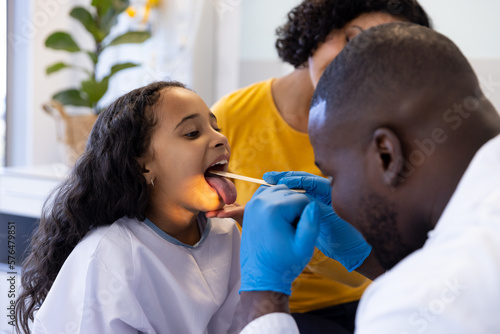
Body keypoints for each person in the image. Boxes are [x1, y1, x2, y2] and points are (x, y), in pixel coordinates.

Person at [234, 22, 500, 333]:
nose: (339, 202)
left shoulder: (414, 303)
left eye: (332, 174)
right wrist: (372, 261)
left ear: (386, 154)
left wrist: (263, 295)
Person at [211, 1, 431, 332]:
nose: (355, 64)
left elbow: (399, 249)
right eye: (351, 40)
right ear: (317, 31)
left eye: (377, 56)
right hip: (267, 307)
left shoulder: (386, 133)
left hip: (365, 300)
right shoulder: (232, 115)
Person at [15, 81, 241, 334]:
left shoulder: (228, 235)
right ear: (143, 166)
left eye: (215, 126)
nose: (220, 138)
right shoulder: (111, 256)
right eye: (192, 133)